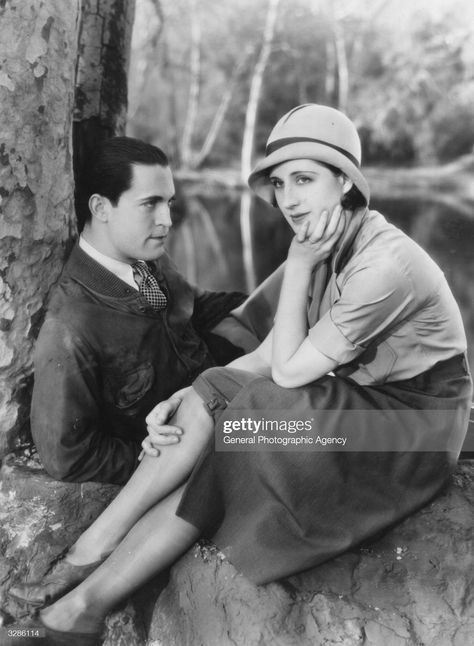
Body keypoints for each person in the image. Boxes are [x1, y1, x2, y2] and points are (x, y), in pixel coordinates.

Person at [8, 104, 472, 645]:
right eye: (279, 182)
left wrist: (297, 267)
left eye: (305, 179)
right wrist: (184, 392)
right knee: (215, 392)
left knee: (246, 426)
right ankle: (90, 559)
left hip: (413, 429)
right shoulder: (327, 241)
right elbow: (268, 352)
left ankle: (83, 604)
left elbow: (290, 373)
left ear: (345, 181)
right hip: (362, 402)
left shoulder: (381, 264)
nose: (289, 199)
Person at [29, 136, 258, 485]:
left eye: (168, 202)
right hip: (217, 452)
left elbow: (197, 305)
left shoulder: (147, 258)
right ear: (101, 207)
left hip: (240, 403)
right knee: (354, 436)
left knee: (351, 425)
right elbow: (68, 457)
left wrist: (286, 302)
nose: (167, 219)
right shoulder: (70, 328)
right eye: (150, 203)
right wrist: (158, 457)